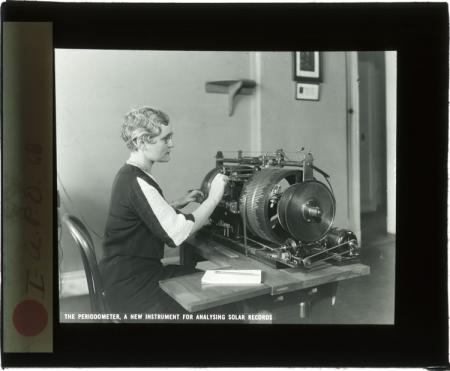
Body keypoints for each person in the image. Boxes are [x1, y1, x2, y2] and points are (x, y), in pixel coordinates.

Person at [99, 106, 228, 314]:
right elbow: (177, 232)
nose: (172, 144)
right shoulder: (137, 181)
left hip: (125, 278)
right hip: (135, 288)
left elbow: (144, 214)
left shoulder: (130, 175)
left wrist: (177, 203)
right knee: (220, 299)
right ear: (141, 142)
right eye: (165, 139)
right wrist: (214, 198)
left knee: (208, 282)